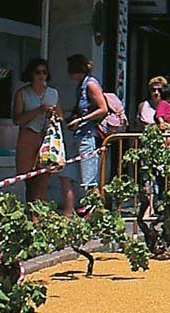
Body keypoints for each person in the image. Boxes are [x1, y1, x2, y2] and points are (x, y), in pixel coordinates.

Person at [62, 53, 109, 215]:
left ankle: (99, 216)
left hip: (88, 136)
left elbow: (103, 109)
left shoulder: (91, 85)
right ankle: (68, 213)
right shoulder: (80, 86)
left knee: (89, 181)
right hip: (79, 135)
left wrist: (81, 120)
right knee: (66, 174)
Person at [12, 58, 62, 202]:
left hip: (47, 138)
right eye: (37, 72)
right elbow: (17, 119)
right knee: (29, 179)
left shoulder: (53, 93)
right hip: (28, 137)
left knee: (43, 180)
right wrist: (38, 110)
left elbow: (60, 117)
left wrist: (54, 116)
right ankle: (32, 212)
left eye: (44, 72)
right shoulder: (23, 93)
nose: (41, 76)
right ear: (31, 74)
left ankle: (39, 216)